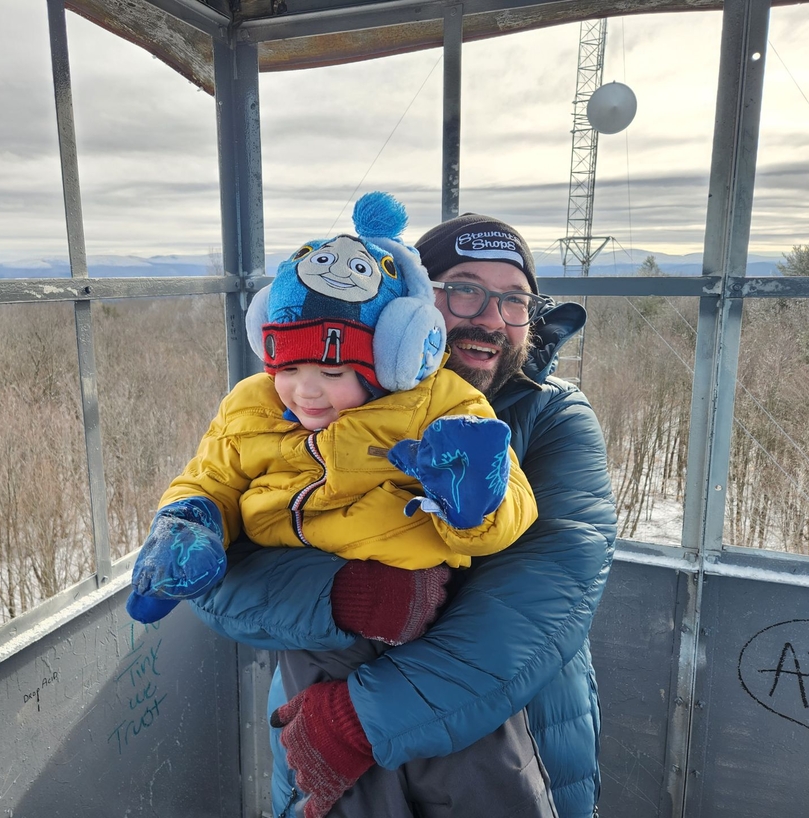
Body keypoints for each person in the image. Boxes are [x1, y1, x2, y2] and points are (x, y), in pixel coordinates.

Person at [188, 211, 618, 818]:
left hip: (513, 753)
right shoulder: (305, 406)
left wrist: (358, 720)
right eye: (465, 290)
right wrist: (347, 597)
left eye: (515, 300)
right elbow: (213, 578)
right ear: (409, 306)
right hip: (326, 759)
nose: (491, 319)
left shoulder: (554, 419)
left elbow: (540, 605)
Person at [126, 192, 538, 629]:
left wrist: (476, 502)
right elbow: (212, 477)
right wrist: (189, 521)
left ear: (395, 355)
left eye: (332, 371)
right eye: (465, 290)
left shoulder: (439, 403)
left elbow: (516, 500)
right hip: (307, 599)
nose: (305, 390)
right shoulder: (252, 404)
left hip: (410, 586)